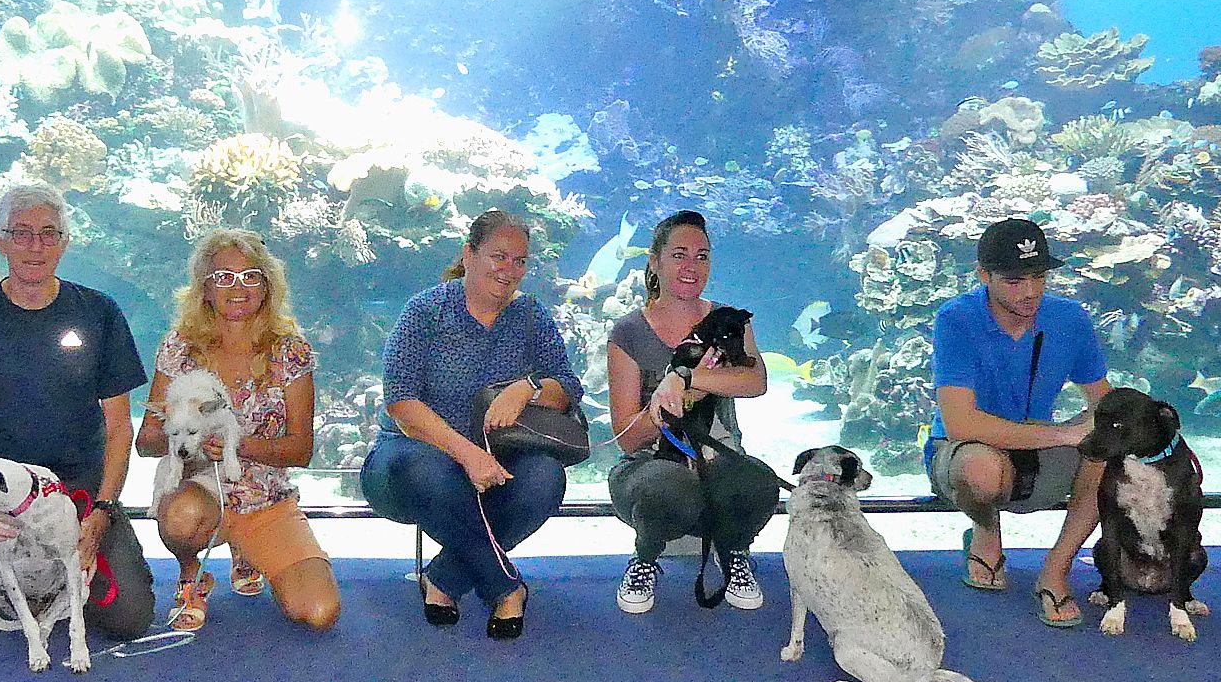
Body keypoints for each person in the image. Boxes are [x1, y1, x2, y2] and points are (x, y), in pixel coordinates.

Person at [0, 181, 156, 652]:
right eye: (20, 233)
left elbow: (120, 428)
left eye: (48, 233)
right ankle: (10, 582)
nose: (34, 246)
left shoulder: (100, 314)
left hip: (78, 490)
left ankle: (56, 585)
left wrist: (102, 509)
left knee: (129, 619)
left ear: (65, 241)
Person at [358, 208, 584, 639]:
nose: (510, 269)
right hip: (410, 466)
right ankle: (505, 587)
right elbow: (401, 403)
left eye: (520, 260)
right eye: (499, 255)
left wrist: (529, 387)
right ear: (468, 254)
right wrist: (468, 455)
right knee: (430, 472)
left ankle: (444, 578)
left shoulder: (532, 315)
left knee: (545, 477)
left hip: (497, 462)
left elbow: (568, 387)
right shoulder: (425, 311)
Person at [135, 228, 339, 633]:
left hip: (268, 503)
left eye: (251, 276)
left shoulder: (289, 350)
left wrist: (238, 444)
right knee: (180, 517)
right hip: (201, 496)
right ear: (205, 288)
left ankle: (248, 551)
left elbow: (301, 451)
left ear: (267, 286)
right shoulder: (180, 347)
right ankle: (193, 572)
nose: (238, 287)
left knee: (319, 613)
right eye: (224, 277)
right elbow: (145, 442)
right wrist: (182, 437)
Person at [927, 216, 1111, 628]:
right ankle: (985, 529)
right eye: (1013, 281)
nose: (1030, 292)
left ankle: (1056, 571)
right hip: (964, 452)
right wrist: (1064, 432)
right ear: (983, 276)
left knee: (1106, 455)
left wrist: (1109, 425)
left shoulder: (1070, 318)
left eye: (1038, 277)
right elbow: (959, 424)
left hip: (1039, 454)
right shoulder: (955, 319)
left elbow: (1103, 400)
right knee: (981, 468)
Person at [605, 210, 785, 613]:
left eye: (702, 256)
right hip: (647, 465)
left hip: (716, 458)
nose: (692, 266)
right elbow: (626, 437)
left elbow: (755, 380)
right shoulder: (628, 333)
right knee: (666, 489)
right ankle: (645, 557)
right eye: (680, 254)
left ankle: (734, 550)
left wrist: (688, 379)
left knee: (756, 481)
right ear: (654, 261)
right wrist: (662, 410)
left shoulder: (729, 321)